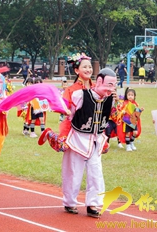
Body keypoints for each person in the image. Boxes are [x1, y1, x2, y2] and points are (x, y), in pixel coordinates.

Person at [62, 68, 117, 218]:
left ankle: (93, 204)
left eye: (114, 85)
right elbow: (68, 116)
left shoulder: (111, 99)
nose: (112, 88)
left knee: (96, 172)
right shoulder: (80, 95)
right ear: (99, 82)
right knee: (73, 171)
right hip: (78, 139)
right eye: (109, 84)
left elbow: (114, 119)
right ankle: (70, 201)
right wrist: (63, 136)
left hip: (96, 140)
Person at [39, 53, 94, 152]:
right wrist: (66, 110)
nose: (88, 69)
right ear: (77, 70)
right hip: (73, 124)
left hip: (91, 124)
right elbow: (63, 105)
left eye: (90, 67)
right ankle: (49, 134)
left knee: (103, 148)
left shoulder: (96, 88)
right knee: (63, 146)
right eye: (85, 67)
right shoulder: (70, 90)